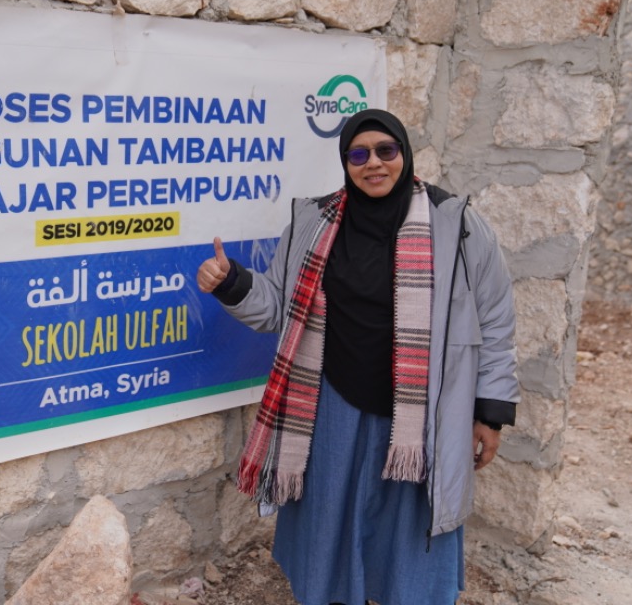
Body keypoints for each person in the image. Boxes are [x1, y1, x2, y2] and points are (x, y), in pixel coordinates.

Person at [196, 109, 519, 605]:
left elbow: (495, 319)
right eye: (359, 154)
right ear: (345, 161)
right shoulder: (315, 222)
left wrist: (490, 412)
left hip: (422, 410)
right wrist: (232, 283)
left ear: (404, 154)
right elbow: (278, 306)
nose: (374, 163)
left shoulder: (455, 223)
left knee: (408, 527)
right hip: (331, 404)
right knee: (329, 511)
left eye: (386, 151)